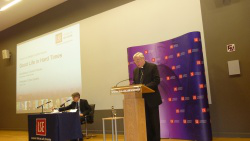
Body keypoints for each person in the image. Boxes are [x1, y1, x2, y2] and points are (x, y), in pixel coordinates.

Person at [132, 52, 162, 141]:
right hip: (141, 100)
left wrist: (144, 87)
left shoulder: (152, 67)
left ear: (143, 59)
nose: (136, 63)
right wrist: (133, 86)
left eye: (138, 60)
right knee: (146, 122)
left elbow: (156, 80)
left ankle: (156, 139)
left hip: (152, 99)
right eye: (135, 61)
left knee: (154, 122)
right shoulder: (135, 70)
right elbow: (135, 82)